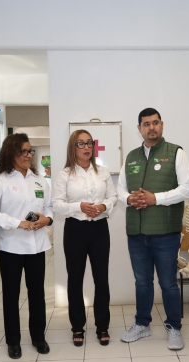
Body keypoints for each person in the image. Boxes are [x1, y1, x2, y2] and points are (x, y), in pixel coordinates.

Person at [118, 108, 189, 350]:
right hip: (137, 233)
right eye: (146, 124)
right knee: (142, 282)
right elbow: (119, 189)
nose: (151, 127)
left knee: (168, 283)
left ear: (161, 125)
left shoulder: (176, 153)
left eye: (155, 123)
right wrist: (129, 199)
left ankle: (174, 327)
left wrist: (156, 199)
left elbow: (188, 188)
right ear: (139, 128)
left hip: (165, 233)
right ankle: (142, 324)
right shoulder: (131, 157)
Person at [0, 133, 53, 359]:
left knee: (37, 294)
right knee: (11, 296)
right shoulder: (0, 181)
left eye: (30, 151)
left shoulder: (39, 180)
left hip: (37, 246)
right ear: (11, 154)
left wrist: (47, 219)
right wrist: (16, 223)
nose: (28, 155)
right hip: (11, 247)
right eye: (23, 151)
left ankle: (38, 337)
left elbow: (49, 207)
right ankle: (13, 341)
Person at [52, 129, 117, 346]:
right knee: (75, 280)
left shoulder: (103, 172)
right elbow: (57, 205)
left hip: (99, 229)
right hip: (75, 230)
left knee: (102, 279)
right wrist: (78, 206)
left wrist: (103, 206)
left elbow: (113, 197)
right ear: (73, 147)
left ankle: (102, 326)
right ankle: (77, 327)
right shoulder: (65, 174)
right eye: (81, 143)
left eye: (89, 143)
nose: (86, 147)